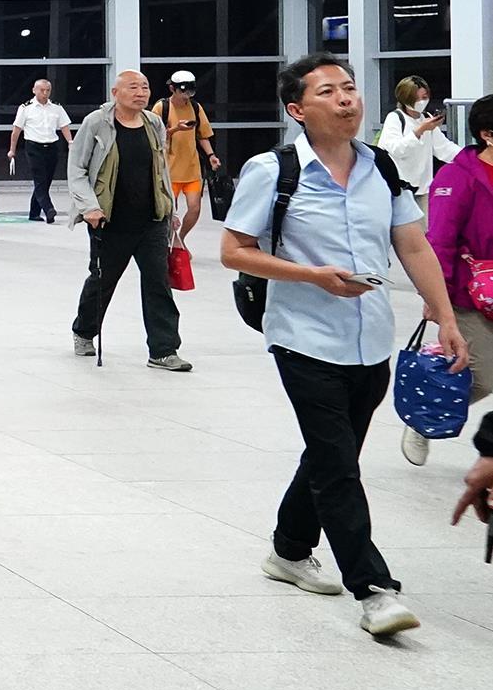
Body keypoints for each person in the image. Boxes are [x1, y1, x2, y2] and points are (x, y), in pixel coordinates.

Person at [221, 53, 466, 638]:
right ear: (297, 109)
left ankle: (288, 549)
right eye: (328, 91)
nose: (346, 99)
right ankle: (374, 589)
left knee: (330, 454)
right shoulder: (272, 169)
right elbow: (234, 251)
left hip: (371, 339)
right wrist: (314, 277)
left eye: (350, 88)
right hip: (303, 338)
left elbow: (412, 244)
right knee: (337, 465)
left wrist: (445, 315)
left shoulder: (380, 166)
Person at [64, 70, 189, 371]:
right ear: (115, 92)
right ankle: (84, 330)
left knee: (158, 284)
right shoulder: (97, 123)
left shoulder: (153, 123)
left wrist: (170, 209)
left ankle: (163, 350)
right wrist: (90, 208)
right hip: (109, 221)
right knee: (102, 281)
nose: (141, 93)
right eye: (133, 87)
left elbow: (160, 168)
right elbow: (77, 169)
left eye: (145, 87)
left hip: (151, 220)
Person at [413, 92, 493, 466]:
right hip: (470, 291)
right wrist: (436, 296)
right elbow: (439, 241)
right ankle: (425, 414)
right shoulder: (457, 177)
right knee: (484, 375)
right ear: (487, 134)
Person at [157, 71, 222, 239]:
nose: (186, 94)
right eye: (183, 90)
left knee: (195, 208)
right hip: (168, 169)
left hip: (191, 168)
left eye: (190, 90)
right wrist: (176, 129)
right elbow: (155, 135)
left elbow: (202, 135)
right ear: (172, 88)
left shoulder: (195, 107)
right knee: (170, 211)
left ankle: (180, 238)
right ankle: (170, 242)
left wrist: (211, 155)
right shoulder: (162, 107)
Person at [8, 77, 72, 224]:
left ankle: (34, 212)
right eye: (42, 90)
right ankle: (49, 209)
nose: (45, 93)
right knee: (40, 179)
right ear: (34, 90)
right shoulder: (26, 108)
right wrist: (12, 150)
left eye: (48, 90)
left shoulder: (56, 107)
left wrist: (70, 142)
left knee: (46, 181)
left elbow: (64, 126)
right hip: (33, 147)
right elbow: (16, 131)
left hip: (52, 147)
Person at [379, 75, 458, 188]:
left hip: (423, 187)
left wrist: (469, 157)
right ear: (405, 99)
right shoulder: (395, 118)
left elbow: (443, 148)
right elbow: (397, 149)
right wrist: (420, 130)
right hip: (400, 187)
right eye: (416, 98)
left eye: (424, 97)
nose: (421, 102)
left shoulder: (426, 118)